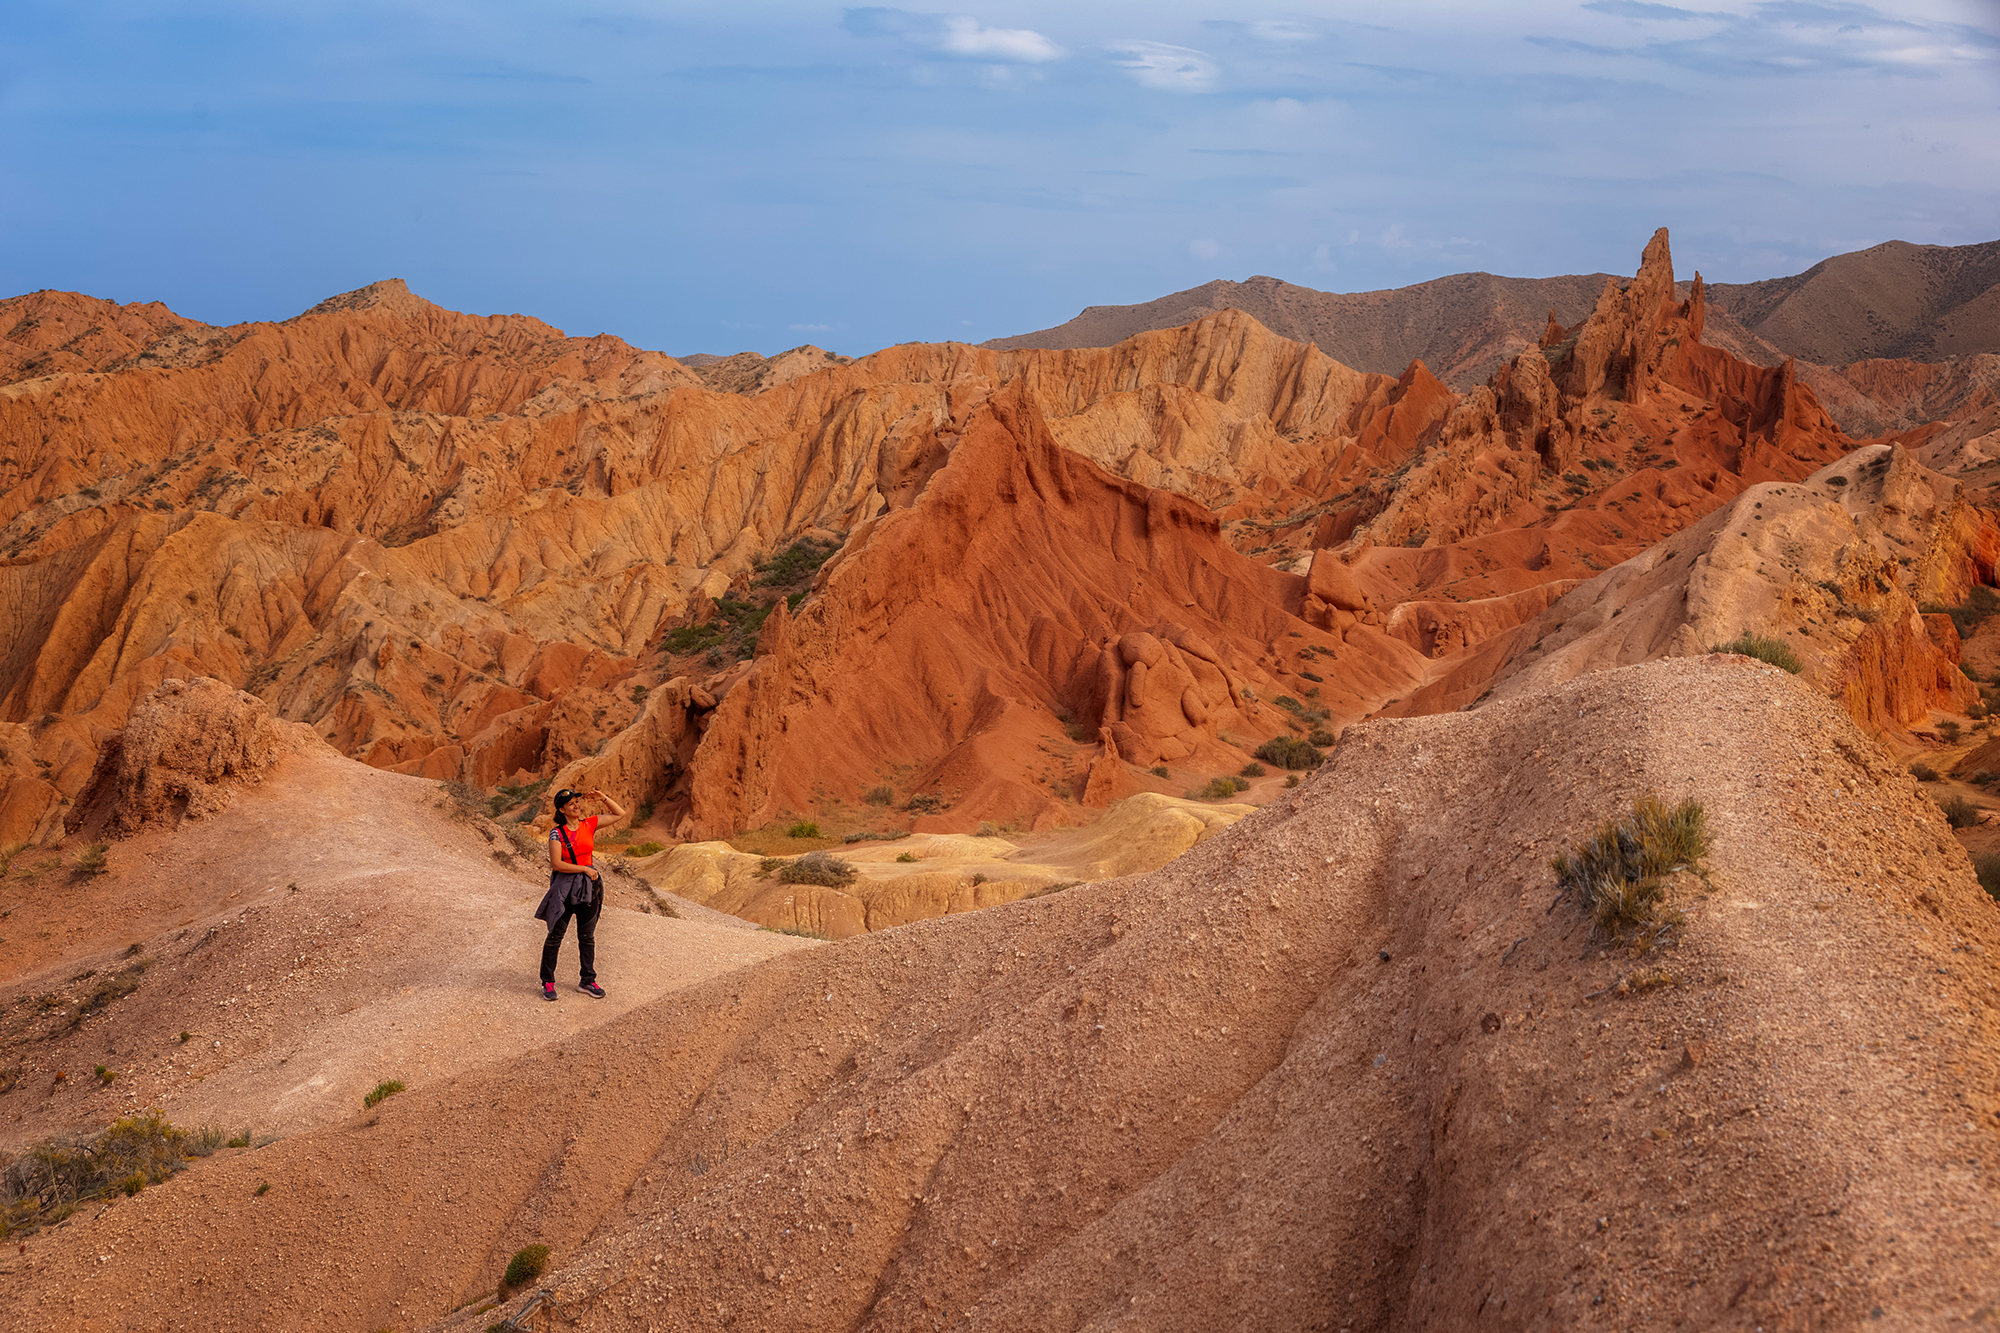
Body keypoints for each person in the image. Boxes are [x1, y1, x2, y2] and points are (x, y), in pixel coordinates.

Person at [533, 786, 625, 1001]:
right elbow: (557, 864)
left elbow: (619, 814)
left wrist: (603, 797)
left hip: (589, 887)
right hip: (565, 888)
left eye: (577, 802)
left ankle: (587, 980)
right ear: (562, 809)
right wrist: (584, 868)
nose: (577, 805)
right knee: (556, 935)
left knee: (587, 936)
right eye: (572, 803)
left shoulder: (589, 824)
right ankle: (547, 981)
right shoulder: (557, 833)